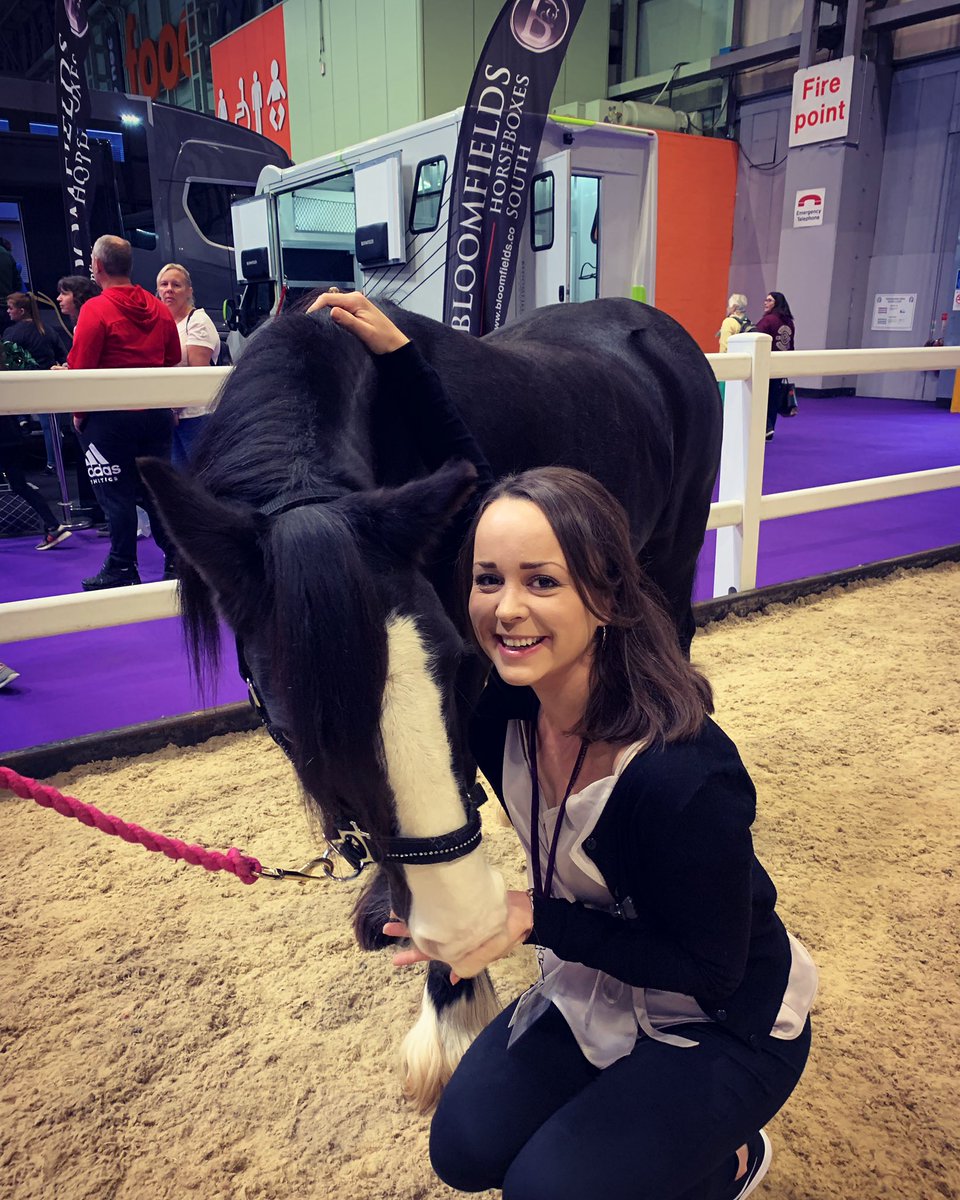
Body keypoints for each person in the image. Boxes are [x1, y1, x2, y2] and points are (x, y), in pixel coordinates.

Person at [314, 292, 816, 1200]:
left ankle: (732, 1157)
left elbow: (713, 967)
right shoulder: (494, 717)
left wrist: (533, 919)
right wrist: (402, 364)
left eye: (543, 582)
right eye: (488, 581)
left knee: (547, 1190)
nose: (507, 608)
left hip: (720, 1013)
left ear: (609, 594)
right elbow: (481, 486)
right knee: (464, 1153)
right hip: (591, 985)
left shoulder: (683, 773)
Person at [61, 235, 181, 589]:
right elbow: (172, 358)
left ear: (97, 267)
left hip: (110, 417)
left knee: (114, 493)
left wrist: (79, 414)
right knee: (156, 490)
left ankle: (122, 566)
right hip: (154, 414)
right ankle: (176, 559)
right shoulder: (158, 308)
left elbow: (82, 367)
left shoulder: (95, 310)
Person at [0, 342, 71, 549]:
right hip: (12, 436)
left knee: (19, 485)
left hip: (6, 437)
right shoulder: (6, 364)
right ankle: (53, 525)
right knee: (19, 485)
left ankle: (53, 526)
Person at [156, 262, 222, 467]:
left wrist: (174, 410)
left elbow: (197, 377)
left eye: (176, 285)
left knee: (202, 479)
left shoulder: (197, 321)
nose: (169, 289)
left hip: (196, 416)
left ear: (189, 291)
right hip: (171, 416)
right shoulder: (162, 323)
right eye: (164, 284)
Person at [755, 291, 796, 441]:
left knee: (760, 397)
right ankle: (770, 428)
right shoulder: (789, 322)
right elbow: (790, 345)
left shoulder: (767, 321)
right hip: (780, 364)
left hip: (766, 364)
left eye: (769, 300)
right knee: (773, 398)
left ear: (776, 303)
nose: (765, 303)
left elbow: (756, 339)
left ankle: (763, 427)